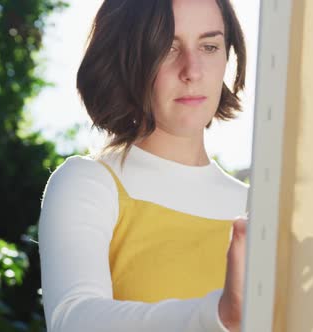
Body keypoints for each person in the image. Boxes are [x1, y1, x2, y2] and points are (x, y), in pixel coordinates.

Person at [38, 0, 249, 331]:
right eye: (167, 47)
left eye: (209, 46)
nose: (192, 70)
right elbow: (72, 319)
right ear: (126, 59)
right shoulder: (89, 183)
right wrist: (216, 315)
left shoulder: (260, 210)